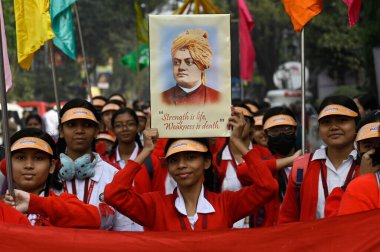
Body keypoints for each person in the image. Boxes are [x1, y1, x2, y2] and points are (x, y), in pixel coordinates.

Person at [104, 109, 278, 231]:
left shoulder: (226, 204)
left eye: (191, 157)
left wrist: (238, 142)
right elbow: (114, 195)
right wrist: (146, 151)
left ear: (207, 162)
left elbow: (267, 188)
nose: (181, 165)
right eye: (174, 160)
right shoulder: (155, 206)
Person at [55, 98, 138, 231]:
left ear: (96, 130)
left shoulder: (116, 175)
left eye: (87, 125)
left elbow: (127, 231)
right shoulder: (47, 174)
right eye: (72, 125)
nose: (79, 130)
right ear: (61, 131)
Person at [280, 95, 361, 223]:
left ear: (356, 124)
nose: (333, 127)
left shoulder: (370, 164)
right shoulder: (302, 167)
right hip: (312, 242)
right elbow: (287, 220)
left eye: (342, 120)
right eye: (326, 122)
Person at [2, 128, 100, 228]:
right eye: (21, 157)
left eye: (38, 158)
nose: (28, 165)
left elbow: (94, 219)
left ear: (52, 166)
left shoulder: (65, 202)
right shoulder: (2, 207)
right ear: (8, 164)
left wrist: (35, 203)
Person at [161, 29, 221, 106]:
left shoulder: (218, 99)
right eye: (176, 62)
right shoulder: (161, 100)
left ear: (202, 65)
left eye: (189, 62)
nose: (181, 67)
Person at [338, 111, 380, 215]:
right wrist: (364, 180)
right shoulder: (340, 192)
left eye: (379, 146)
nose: (374, 151)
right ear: (357, 148)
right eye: (368, 146)